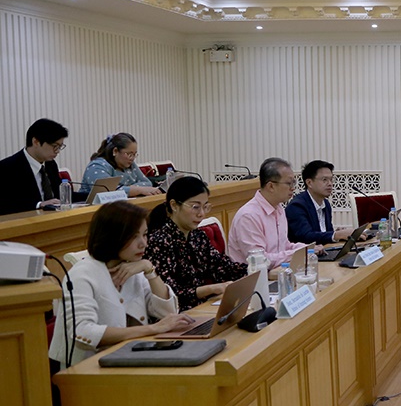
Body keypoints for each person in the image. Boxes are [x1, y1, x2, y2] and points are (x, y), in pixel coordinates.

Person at [48, 200, 192, 369]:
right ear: (112, 236)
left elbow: (168, 312)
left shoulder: (132, 267)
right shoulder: (81, 274)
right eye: (134, 236)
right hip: (89, 369)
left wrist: (149, 270)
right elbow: (83, 333)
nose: (143, 243)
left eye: (145, 234)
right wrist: (153, 329)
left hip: (131, 359)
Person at [145, 176, 249, 311]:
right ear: (174, 205)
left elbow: (223, 268)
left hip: (202, 309)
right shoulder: (159, 242)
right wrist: (210, 289)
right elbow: (169, 294)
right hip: (177, 314)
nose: (202, 214)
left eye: (205, 207)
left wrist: (261, 271)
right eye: (195, 207)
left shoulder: (198, 236)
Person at [226, 157, 308, 267]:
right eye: (289, 183)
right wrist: (296, 254)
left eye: (294, 183)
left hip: (277, 271)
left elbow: (284, 246)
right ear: (271, 186)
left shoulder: (279, 208)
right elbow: (260, 260)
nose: (293, 188)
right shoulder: (248, 216)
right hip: (253, 276)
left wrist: (307, 249)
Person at [0, 118, 70, 214]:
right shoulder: (7, 168)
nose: (57, 151)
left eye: (60, 147)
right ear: (36, 142)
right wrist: (39, 204)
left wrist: (90, 195)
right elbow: (6, 204)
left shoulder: (51, 164)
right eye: (55, 146)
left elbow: (60, 196)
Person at [286, 160, 356, 244]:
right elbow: (306, 237)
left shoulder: (326, 204)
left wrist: (338, 233)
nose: (330, 184)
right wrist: (336, 235)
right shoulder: (297, 206)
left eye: (331, 179)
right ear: (309, 183)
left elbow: (324, 234)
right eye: (324, 180)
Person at [79, 132, 159, 197]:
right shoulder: (97, 166)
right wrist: (138, 190)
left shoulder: (130, 164)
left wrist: (127, 189)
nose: (132, 158)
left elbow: (147, 183)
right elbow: (106, 191)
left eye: (134, 154)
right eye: (129, 154)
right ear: (115, 151)